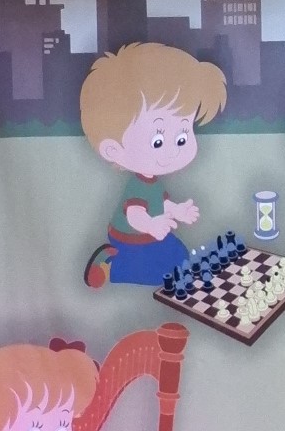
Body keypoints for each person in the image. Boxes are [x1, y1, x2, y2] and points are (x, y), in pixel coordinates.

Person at [80, 42, 227, 288]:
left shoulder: (152, 182)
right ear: (113, 149)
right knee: (161, 274)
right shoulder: (137, 186)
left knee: (180, 257)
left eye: (182, 137)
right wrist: (151, 224)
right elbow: (135, 214)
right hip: (130, 240)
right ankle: (111, 263)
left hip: (153, 236)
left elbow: (160, 203)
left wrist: (176, 210)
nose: (173, 151)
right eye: (157, 141)